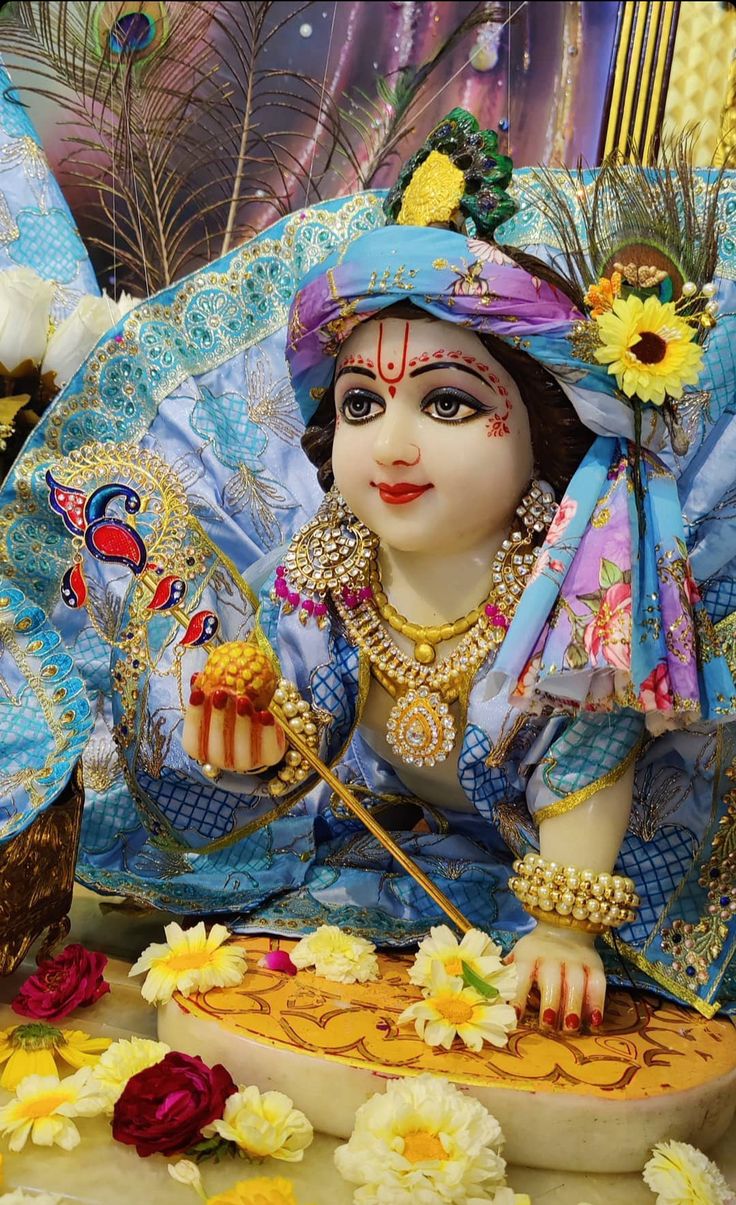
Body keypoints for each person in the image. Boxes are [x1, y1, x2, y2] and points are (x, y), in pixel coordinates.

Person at [10, 111, 736, 1027]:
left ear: (545, 427)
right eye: (360, 404)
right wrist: (255, 740)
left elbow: (587, 758)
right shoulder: (331, 568)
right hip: (406, 848)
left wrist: (563, 928)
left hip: (593, 864)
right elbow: (308, 723)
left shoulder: (578, 593)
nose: (391, 446)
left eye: (447, 403)